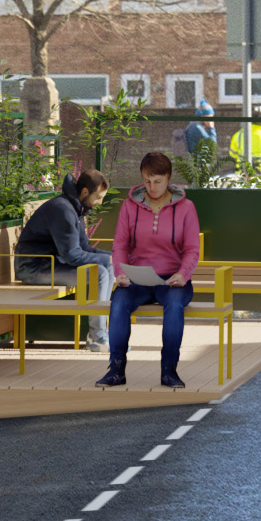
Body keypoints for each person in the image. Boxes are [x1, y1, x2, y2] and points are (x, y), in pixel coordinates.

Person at [101, 149, 201, 389]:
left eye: (158, 181)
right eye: (147, 180)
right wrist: (120, 273)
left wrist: (182, 274)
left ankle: (169, 371)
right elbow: (120, 245)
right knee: (119, 302)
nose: (152, 186)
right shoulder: (129, 206)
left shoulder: (186, 208)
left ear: (168, 179)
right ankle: (116, 369)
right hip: (138, 279)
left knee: (175, 305)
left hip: (173, 281)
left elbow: (192, 249)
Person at [19, 170, 108, 280]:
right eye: (98, 197)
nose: (100, 202)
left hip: (54, 264)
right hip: (34, 268)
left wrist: (115, 258)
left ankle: (101, 298)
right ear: (85, 191)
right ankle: (99, 299)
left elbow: (84, 247)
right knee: (100, 273)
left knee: (108, 267)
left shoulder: (75, 209)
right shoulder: (63, 210)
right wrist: (109, 260)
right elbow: (72, 256)